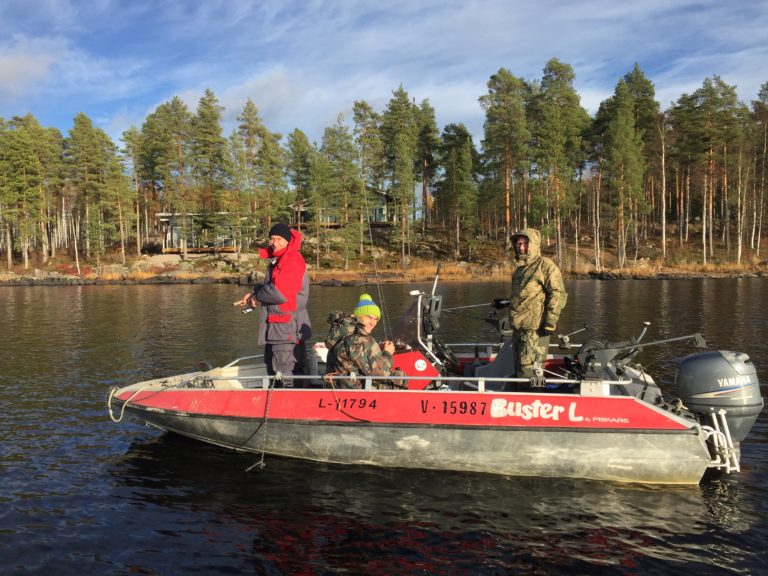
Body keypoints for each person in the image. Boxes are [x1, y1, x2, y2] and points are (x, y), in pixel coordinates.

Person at [237, 223, 311, 386]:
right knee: (280, 370)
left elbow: (279, 293)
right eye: (272, 238)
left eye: (279, 239)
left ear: (287, 241)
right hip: (281, 327)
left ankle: (287, 406)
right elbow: (274, 287)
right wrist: (255, 294)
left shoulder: (291, 260)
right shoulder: (280, 259)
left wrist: (256, 296)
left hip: (285, 328)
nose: (274, 242)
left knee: (283, 372)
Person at [498, 228, 567, 378]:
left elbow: (558, 293)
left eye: (525, 243)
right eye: (518, 243)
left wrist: (550, 321)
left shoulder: (545, 265)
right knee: (519, 370)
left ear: (533, 245)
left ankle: (535, 397)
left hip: (535, 331)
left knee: (530, 374)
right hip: (518, 330)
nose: (520, 246)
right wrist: (505, 303)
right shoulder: (519, 270)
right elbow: (525, 299)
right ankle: (518, 396)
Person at [326, 294, 406, 389]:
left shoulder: (342, 334)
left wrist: (375, 349)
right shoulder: (361, 339)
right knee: (401, 377)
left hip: (339, 387)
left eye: (376, 319)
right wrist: (387, 353)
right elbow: (381, 373)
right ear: (358, 316)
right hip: (356, 392)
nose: (373, 323)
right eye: (369, 317)